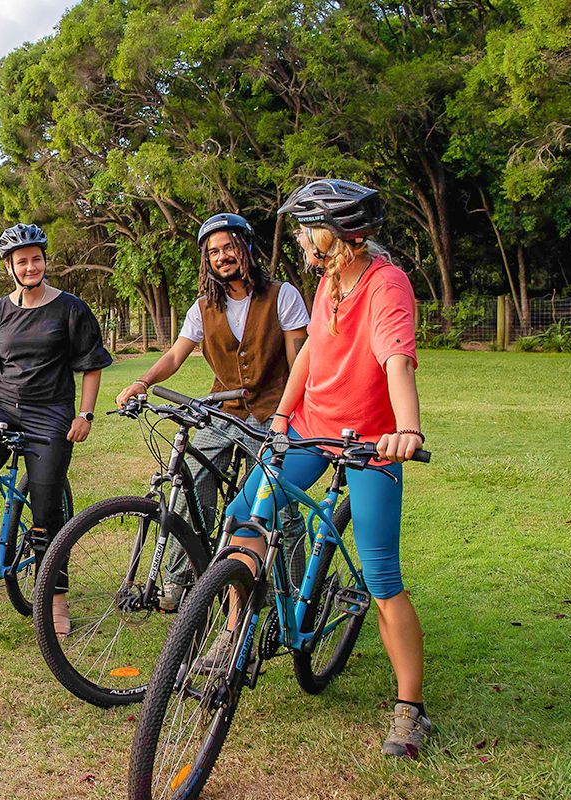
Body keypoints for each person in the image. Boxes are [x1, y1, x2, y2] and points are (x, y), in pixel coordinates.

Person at [218, 179, 430, 757]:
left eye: (309, 229)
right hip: (312, 427)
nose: (303, 241)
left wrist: (405, 430)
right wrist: (283, 414)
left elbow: (397, 361)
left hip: (371, 442)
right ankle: (235, 629)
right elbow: (312, 348)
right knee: (245, 513)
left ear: (336, 234)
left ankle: (410, 710)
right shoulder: (326, 281)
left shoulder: (386, 286)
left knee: (382, 577)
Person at [114, 213, 310, 607]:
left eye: (229, 247)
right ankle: (181, 580)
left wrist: (293, 415)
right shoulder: (203, 307)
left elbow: (300, 359)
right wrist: (143, 382)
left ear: (247, 248)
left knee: (279, 498)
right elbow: (175, 355)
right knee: (190, 475)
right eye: (213, 252)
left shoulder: (282, 295)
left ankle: (294, 590)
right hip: (224, 410)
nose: (222, 257)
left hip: (274, 409)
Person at [0, 223, 113, 637]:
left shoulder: (70, 309)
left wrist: (85, 415)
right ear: (9, 266)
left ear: (45, 261)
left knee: (47, 505)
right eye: (21, 261)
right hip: (0, 405)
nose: (30, 266)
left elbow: (92, 364)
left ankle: (56, 595)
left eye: (36, 258)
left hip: (49, 411)